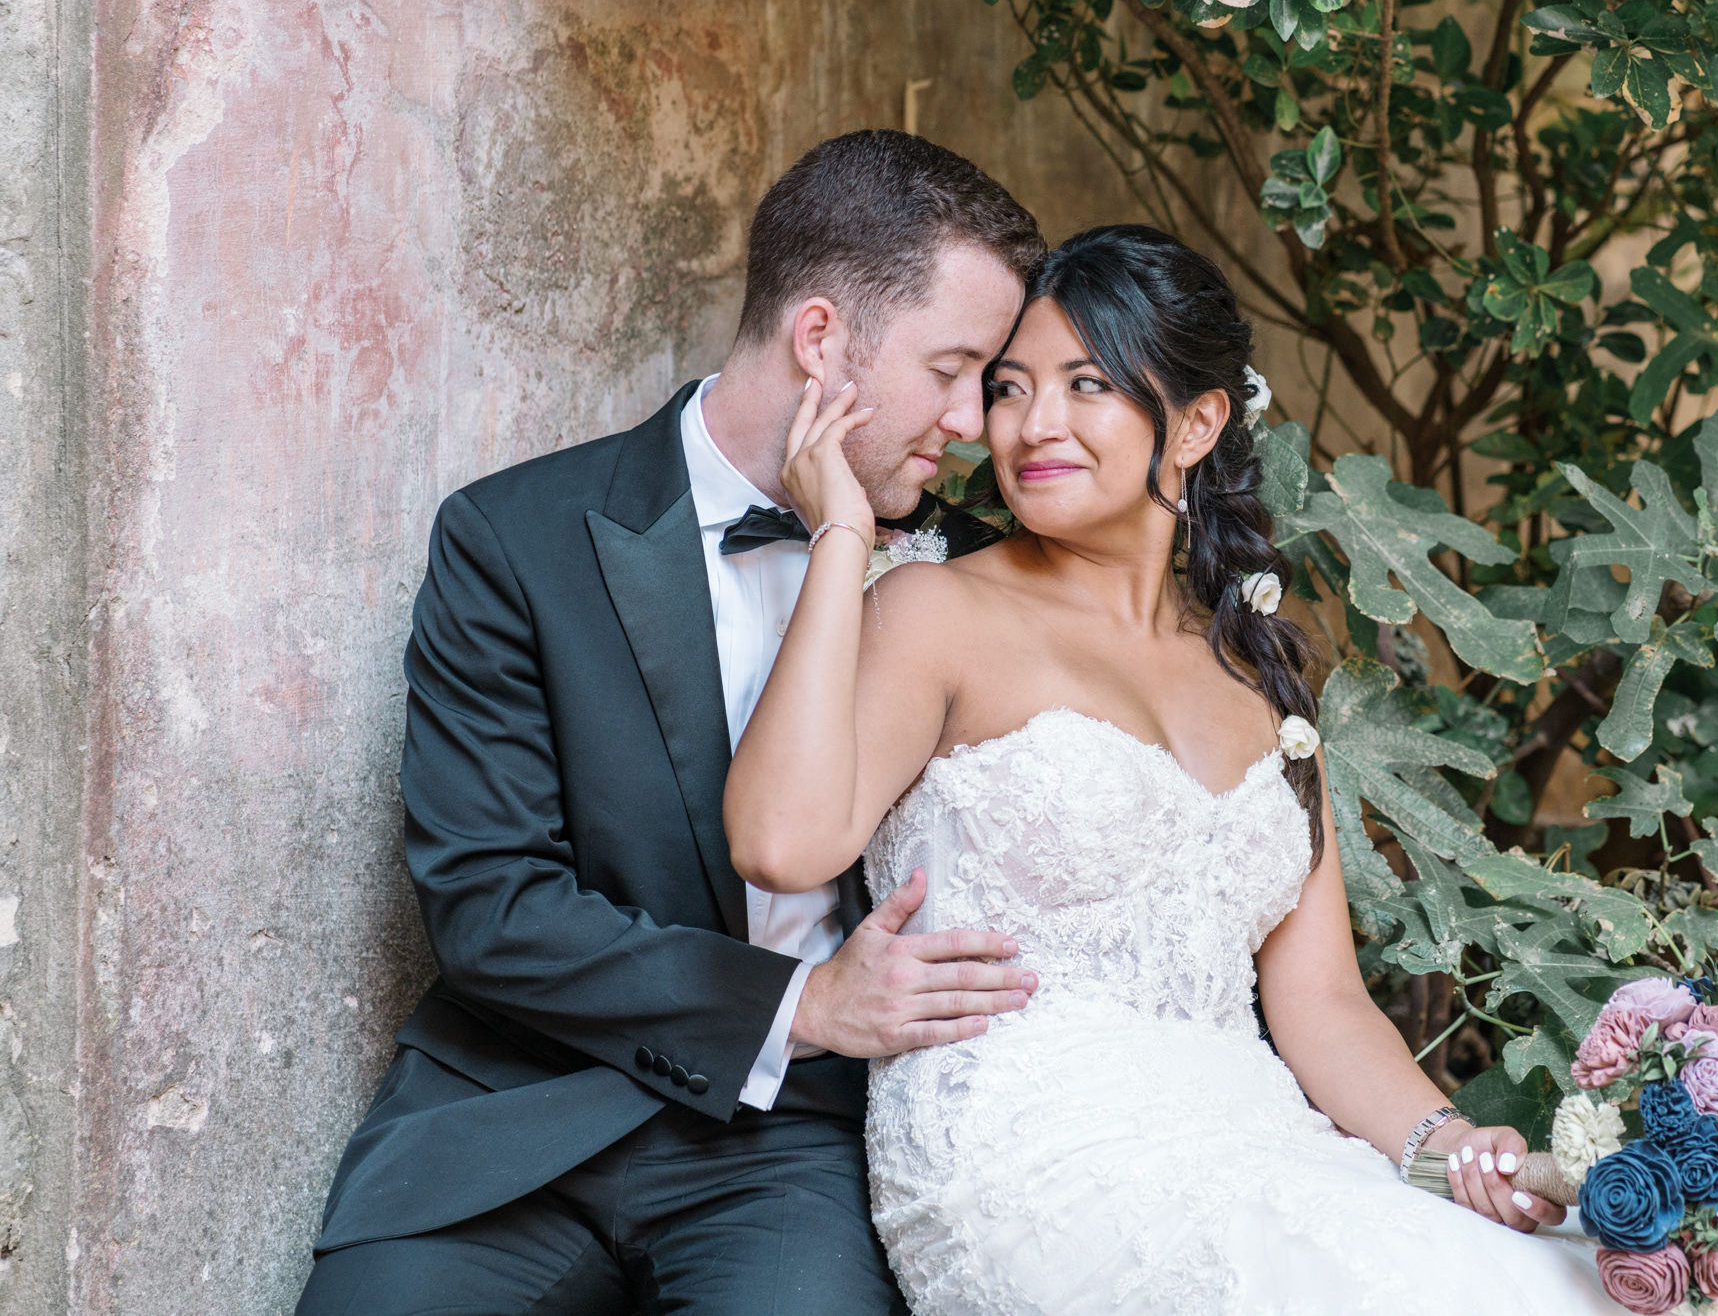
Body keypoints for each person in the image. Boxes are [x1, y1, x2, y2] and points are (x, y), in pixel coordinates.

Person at [723, 223, 1617, 1313]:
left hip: (1252, 1136)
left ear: (1196, 422)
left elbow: (1324, 1002)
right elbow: (778, 844)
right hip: (1027, 1156)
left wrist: (1448, 1148)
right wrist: (841, 543)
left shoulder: (1261, 670)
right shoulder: (935, 611)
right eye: (1008, 389)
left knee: (1573, 1274)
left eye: (1085, 384)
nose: (1032, 425)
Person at [295, 131, 1048, 1315]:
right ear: (820, 342)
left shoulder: (964, 579)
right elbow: (491, 912)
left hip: (797, 1151)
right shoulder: (514, 541)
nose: (972, 421)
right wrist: (799, 1004)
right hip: (521, 1110)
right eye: (952, 368)